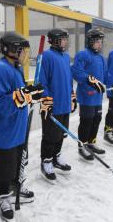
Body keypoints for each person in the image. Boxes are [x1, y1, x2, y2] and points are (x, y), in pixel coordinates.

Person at [0, 32, 44, 221]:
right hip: (3, 131)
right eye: (21, 50)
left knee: (18, 162)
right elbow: (1, 104)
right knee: (4, 167)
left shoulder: (15, 68)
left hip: (16, 129)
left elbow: (19, 95)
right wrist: (25, 96)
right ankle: (3, 196)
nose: (24, 54)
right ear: (9, 50)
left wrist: (29, 94)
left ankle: (16, 186)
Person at [39, 28, 75, 181]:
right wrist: (47, 100)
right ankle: (46, 161)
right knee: (50, 135)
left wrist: (72, 96)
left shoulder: (66, 57)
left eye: (67, 39)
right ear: (54, 40)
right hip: (51, 105)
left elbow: (68, 80)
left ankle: (56, 157)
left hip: (64, 104)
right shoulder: (46, 56)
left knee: (61, 134)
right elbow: (41, 81)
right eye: (63, 39)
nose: (66, 42)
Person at [71, 29, 107, 161]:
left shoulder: (101, 57)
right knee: (87, 121)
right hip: (87, 95)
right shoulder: (83, 55)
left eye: (101, 42)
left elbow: (105, 75)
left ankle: (91, 142)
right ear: (90, 41)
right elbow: (76, 72)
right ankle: (82, 145)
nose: (99, 44)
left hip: (98, 97)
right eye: (97, 42)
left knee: (97, 119)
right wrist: (90, 80)